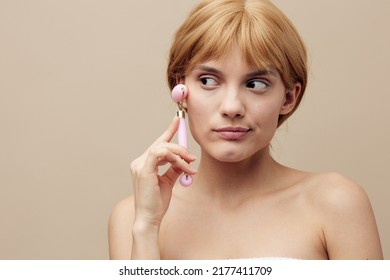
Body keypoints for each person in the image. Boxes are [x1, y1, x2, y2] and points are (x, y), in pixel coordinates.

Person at [108, 0, 383, 260]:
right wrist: (146, 228)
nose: (231, 107)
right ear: (181, 91)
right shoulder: (132, 217)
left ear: (288, 97)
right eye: (208, 80)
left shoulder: (336, 203)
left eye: (255, 84)